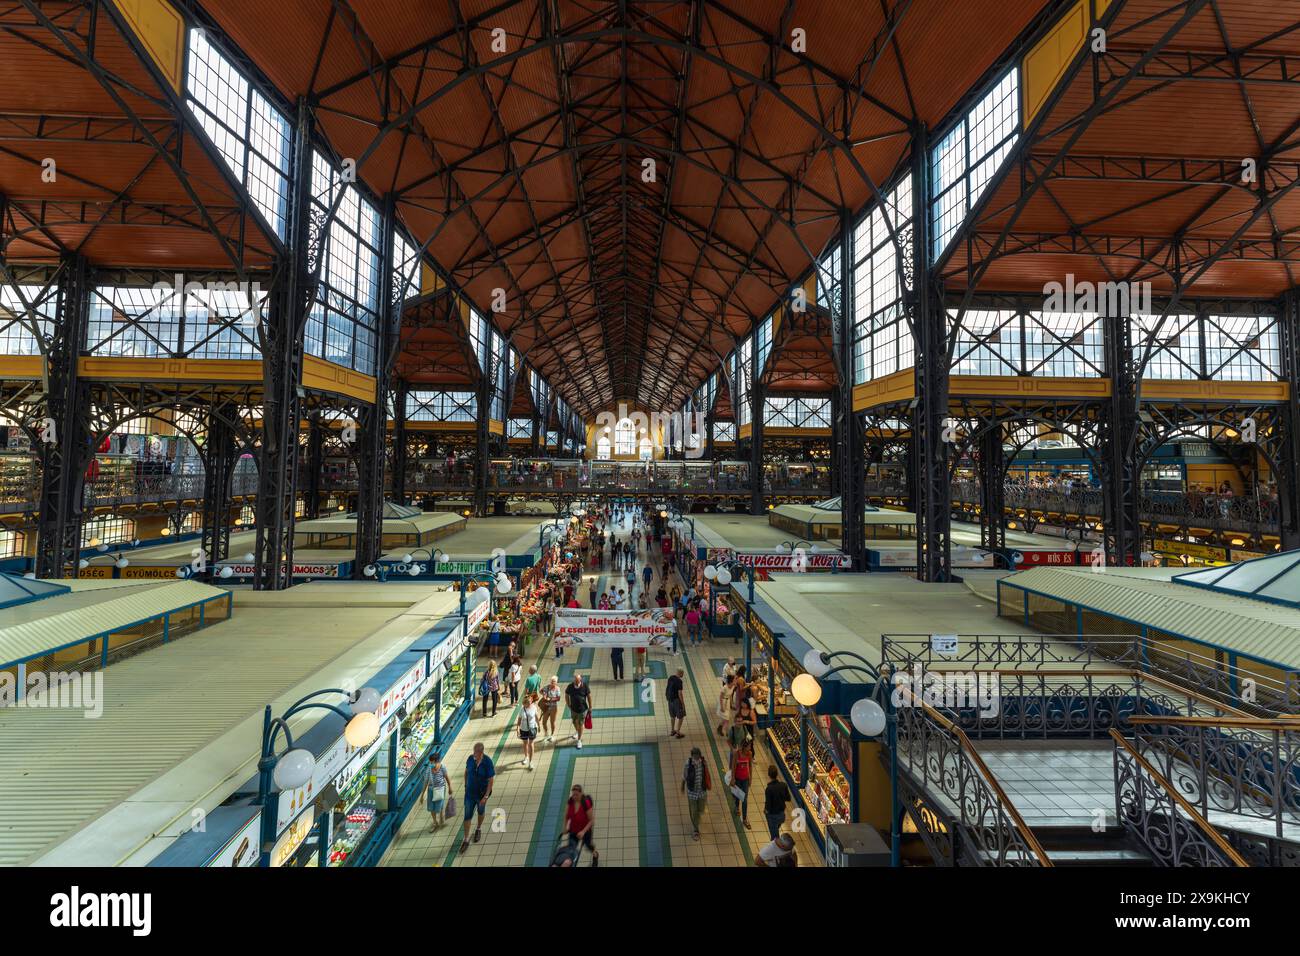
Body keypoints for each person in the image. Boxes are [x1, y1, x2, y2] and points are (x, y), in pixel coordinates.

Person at [460, 743, 495, 854]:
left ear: (481, 752)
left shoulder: (487, 762)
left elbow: (490, 780)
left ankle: (478, 828)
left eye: (476, 752)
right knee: (467, 816)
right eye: (473, 751)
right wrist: (465, 786)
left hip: (481, 795)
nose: (473, 754)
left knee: (480, 812)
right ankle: (466, 839)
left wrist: (486, 796)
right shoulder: (470, 759)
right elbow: (466, 772)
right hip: (470, 794)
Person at [563, 784, 599, 867]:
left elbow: (591, 820)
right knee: (571, 849)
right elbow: (566, 816)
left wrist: (583, 832)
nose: (574, 796)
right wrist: (564, 827)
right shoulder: (570, 801)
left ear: (581, 793)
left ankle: (595, 854)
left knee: (588, 846)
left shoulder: (585, 803)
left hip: (585, 830)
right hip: (573, 830)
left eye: (576, 794)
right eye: (573, 794)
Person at [682, 746, 711, 841]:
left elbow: (706, 774)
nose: (697, 756)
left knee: (701, 809)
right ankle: (696, 830)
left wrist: (708, 784)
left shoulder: (703, 762)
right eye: (695, 755)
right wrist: (682, 785)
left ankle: (696, 819)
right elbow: (684, 775)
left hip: (702, 791)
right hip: (692, 792)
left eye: (698, 755)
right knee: (694, 811)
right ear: (692, 755)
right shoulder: (688, 763)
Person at [729, 738, 754, 829]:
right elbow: (733, 766)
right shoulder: (737, 754)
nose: (750, 747)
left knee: (745, 799)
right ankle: (736, 807)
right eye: (749, 746)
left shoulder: (750, 754)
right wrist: (732, 778)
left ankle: (744, 819)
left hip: (745, 779)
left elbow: (750, 766)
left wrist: (750, 778)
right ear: (744, 746)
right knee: (737, 796)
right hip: (738, 778)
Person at [423, 752, 451, 832]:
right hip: (431, 790)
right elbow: (426, 781)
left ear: (436, 761)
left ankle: (441, 816)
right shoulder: (429, 769)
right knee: (431, 808)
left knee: (439, 805)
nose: (430, 763)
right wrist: (422, 795)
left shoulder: (442, 767)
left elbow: (447, 777)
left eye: (432, 762)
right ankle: (435, 823)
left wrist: (450, 787)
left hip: (440, 789)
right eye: (430, 762)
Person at [763, 764, 792, 840]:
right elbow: (788, 798)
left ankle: (777, 847)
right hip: (782, 816)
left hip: (772, 816)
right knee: (775, 830)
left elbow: (768, 806)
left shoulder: (769, 789)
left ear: (769, 775)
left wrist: (765, 811)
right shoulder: (783, 785)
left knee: (775, 838)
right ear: (777, 774)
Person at [566, 672, 592, 748]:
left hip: (582, 709)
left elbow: (589, 696)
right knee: (574, 722)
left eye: (578, 680)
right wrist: (568, 704)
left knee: (580, 723)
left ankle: (579, 740)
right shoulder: (570, 686)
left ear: (580, 679)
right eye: (575, 680)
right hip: (573, 709)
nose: (576, 682)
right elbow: (566, 695)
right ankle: (577, 731)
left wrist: (590, 707)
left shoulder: (585, 686)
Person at [517, 693, 540, 769]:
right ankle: (526, 757)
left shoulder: (534, 707)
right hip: (523, 729)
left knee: (531, 744)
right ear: (524, 703)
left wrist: (539, 726)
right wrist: (517, 730)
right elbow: (519, 721)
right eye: (528, 703)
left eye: (530, 702)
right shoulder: (522, 709)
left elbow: (536, 717)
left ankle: (531, 762)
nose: (530, 704)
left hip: (532, 728)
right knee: (525, 743)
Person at [666, 667, 686, 738]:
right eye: (682, 673)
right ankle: (678, 731)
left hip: (670, 700)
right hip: (676, 701)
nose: (683, 674)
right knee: (681, 716)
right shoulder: (679, 681)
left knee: (672, 716)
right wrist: (683, 704)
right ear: (680, 673)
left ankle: (672, 730)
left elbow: (668, 688)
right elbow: (680, 693)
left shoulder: (671, 678)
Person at [540, 675, 562, 741]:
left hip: (553, 708)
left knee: (552, 722)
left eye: (554, 681)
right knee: (544, 722)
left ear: (556, 682)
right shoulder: (547, 687)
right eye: (551, 681)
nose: (552, 682)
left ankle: (552, 735)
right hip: (546, 707)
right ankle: (546, 734)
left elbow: (558, 698)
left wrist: (550, 699)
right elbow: (541, 691)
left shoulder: (557, 688)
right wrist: (544, 694)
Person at [716, 672, 735, 737]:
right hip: (723, 702)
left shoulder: (733, 687)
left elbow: (730, 696)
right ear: (731, 681)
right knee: (727, 719)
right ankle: (724, 731)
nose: (735, 681)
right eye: (734, 680)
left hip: (727, 703)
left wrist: (731, 704)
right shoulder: (725, 687)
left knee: (725, 718)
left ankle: (720, 728)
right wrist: (721, 707)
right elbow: (720, 697)